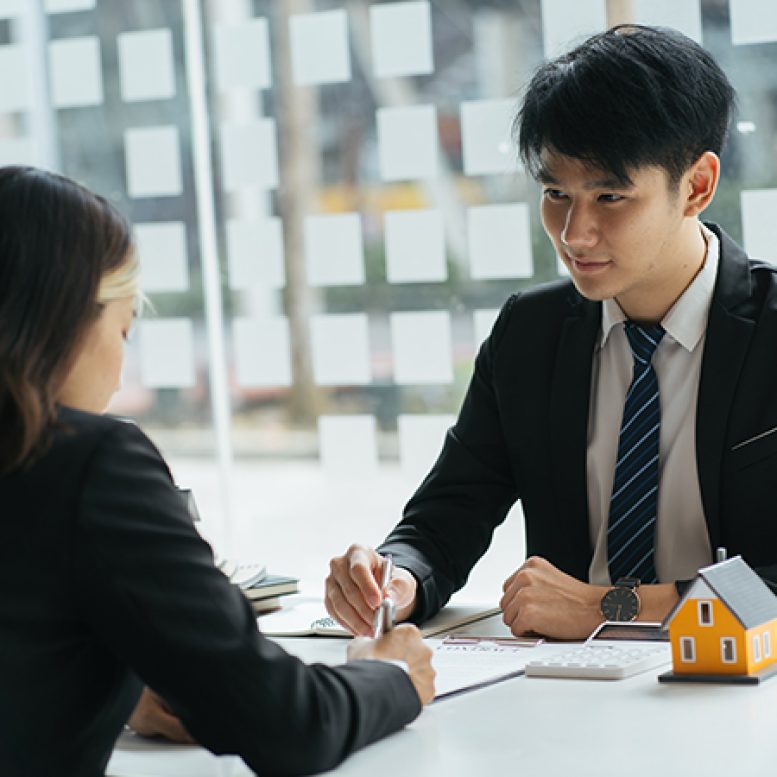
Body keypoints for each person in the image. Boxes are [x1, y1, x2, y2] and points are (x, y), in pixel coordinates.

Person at [325, 24, 777, 641]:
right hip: (562, 690)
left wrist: (607, 605)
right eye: (555, 193)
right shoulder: (530, 334)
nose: (574, 233)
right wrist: (396, 578)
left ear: (696, 185)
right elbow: (446, 516)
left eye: (611, 197)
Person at [0, 165, 434, 777]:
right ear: (67, 316)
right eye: (123, 330)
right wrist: (389, 673)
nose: (122, 370)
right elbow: (288, 725)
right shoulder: (90, 464)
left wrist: (124, 693)